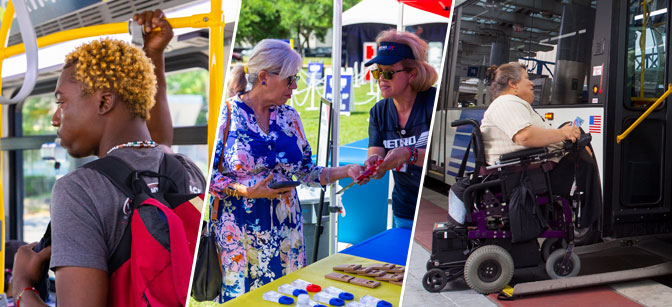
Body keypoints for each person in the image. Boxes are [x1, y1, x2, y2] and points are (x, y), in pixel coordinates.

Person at [11, 10, 205, 306]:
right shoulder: (186, 171)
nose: (54, 118)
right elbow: (159, 145)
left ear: (103, 102)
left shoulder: (78, 191)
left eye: (61, 102)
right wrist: (153, 55)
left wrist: (23, 287)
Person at [211, 39, 361, 302]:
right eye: (290, 79)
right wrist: (244, 190)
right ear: (264, 77)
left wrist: (347, 170)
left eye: (296, 79)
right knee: (245, 300)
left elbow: (307, 171)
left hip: (286, 231)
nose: (294, 87)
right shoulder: (226, 114)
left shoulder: (289, 116)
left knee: (289, 296)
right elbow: (206, 175)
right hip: (240, 232)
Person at [480, 62, 601, 228]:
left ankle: (591, 215)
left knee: (578, 138)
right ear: (513, 84)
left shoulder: (511, 103)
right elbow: (524, 136)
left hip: (523, 171)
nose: (532, 83)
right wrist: (562, 134)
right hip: (523, 176)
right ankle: (592, 218)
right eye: (527, 78)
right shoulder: (506, 103)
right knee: (580, 152)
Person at [359, 30, 438, 230]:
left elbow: (444, 160)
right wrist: (373, 167)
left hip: (434, 209)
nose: (381, 79)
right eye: (378, 72)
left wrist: (409, 154)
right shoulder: (378, 111)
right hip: (403, 211)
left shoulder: (433, 102)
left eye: (389, 72)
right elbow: (377, 165)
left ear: (412, 73)